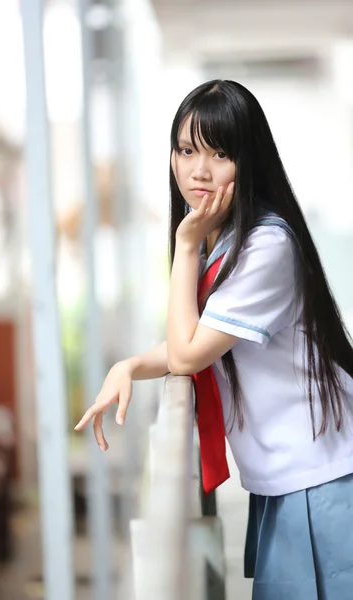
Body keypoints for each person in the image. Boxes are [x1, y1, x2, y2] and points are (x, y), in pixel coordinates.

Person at [75, 79, 353, 599]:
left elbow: (187, 351)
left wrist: (184, 246)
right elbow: (200, 340)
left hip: (324, 479)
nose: (198, 170)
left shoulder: (265, 245)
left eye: (219, 153)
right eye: (186, 150)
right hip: (292, 474)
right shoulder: (226, 238)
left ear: (249, 162)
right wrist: (132, 365)